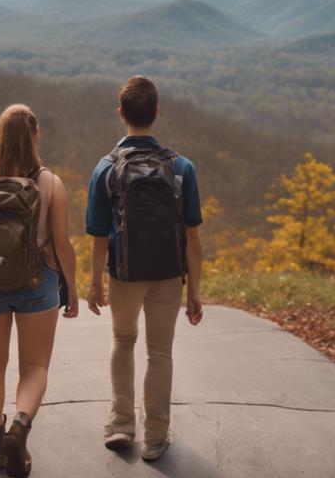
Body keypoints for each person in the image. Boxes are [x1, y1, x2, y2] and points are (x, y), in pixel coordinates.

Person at [85, 76, 204, 461]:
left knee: (123, 341)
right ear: (156, 112)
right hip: (169, 274)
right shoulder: (182, 167)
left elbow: (99, 236)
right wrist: (196, 292)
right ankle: (156, 436)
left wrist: (94, 283)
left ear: (121, 114)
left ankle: (121, 425)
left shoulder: (105, 169)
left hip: (124, 273)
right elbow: (194, 239)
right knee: (160, 352)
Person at [0, 104, 79, 477]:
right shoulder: (50, 183)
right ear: (35, 137)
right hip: (36, 284)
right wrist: (72, 290)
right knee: (35, 366)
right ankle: (19, 425)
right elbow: (62, 245)